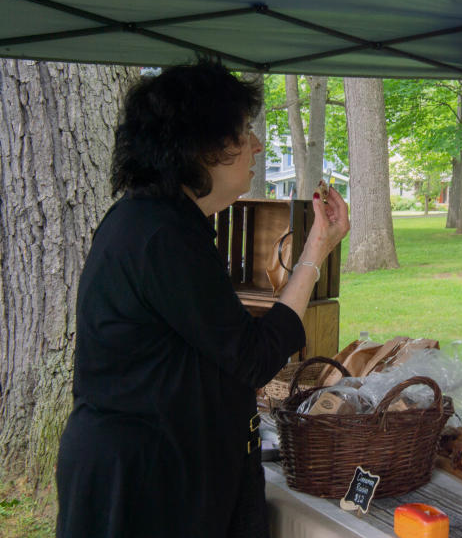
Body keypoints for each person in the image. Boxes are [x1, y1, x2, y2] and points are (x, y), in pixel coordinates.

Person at [55, 61, 350, 538]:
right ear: (198, 146)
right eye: (241, 132)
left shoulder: (158, 221)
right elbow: (252, 356)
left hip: (155, 467)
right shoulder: (161, 233)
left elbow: (213, 350)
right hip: (144, 486)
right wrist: (315, 252)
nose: (256, 145)